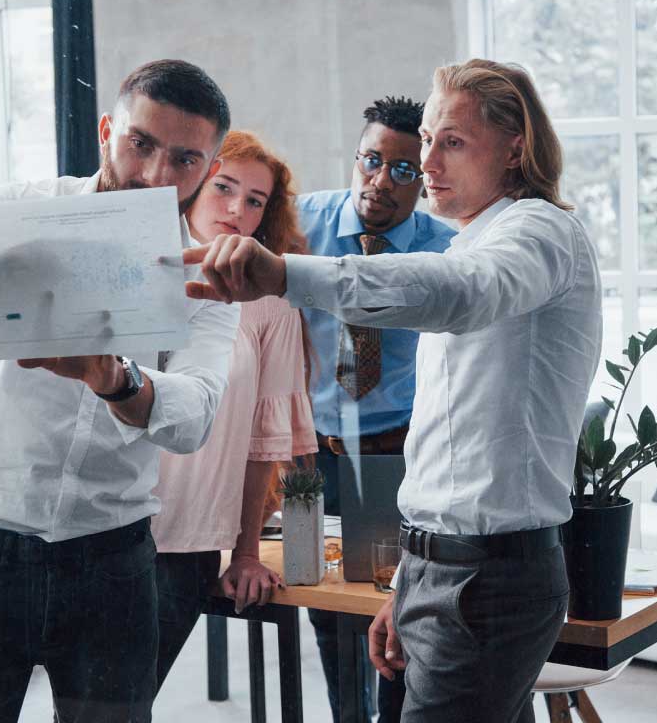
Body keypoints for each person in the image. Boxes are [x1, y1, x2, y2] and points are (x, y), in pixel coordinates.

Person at [182, 58, 603, 723]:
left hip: (485, 579)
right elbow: (450, 441)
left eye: (451, 142)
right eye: (428, 139)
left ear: (515, 145)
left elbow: (462, 297)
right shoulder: (472, 240)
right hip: (436, 564)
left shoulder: (538, 232)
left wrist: (283, 273)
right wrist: (410, 581)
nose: (428, 161)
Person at [0, 59, 238, 723]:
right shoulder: (18, 210)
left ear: (209, 166)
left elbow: (193, 418)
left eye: (183, 159)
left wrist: (116, 380)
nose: (154, 174)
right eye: (141, 144)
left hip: (112, 563)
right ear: (107, 129)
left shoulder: (200, 279)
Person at [293, 95, 453, 721]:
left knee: (399, 615)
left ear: (425, 177)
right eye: (371, 161)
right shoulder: (298, 224)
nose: (380, 182)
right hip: (314, 455)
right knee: (325, 611)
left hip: (398, 456)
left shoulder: (447, 250)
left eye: (403, 170)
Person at [149, 130, 317, 687]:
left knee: (124, 701)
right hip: (98, 528)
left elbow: (265, 441)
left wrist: (246, 553)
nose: (235, 209)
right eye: (223, 187)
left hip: (188, 538)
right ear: (194, 184)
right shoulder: (135, 268)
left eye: (255, 201)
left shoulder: (270, 303)